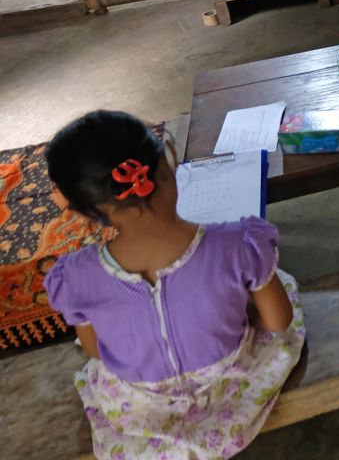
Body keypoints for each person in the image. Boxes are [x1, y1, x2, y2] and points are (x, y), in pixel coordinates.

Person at [43, 111, 304, 459]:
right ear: (168, 162)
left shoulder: (74, 277)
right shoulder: (240, 244)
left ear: (82, 211)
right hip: (230, 384)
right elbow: (278, 322)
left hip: (136, 404)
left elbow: (94, 350)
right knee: (278, 283)